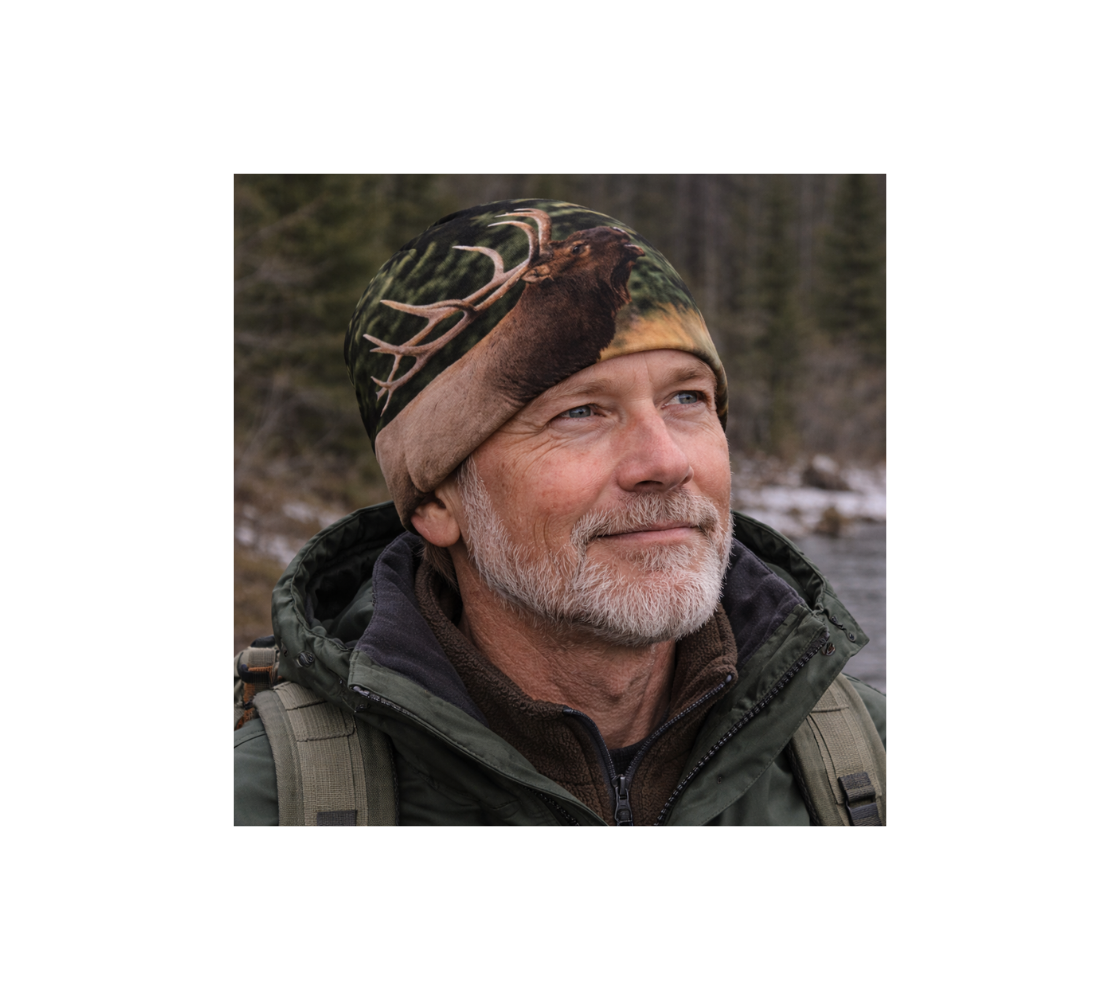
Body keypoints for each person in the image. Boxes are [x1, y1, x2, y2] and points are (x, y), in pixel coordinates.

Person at [233, 198, 887, 827]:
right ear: (435, 501)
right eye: (580, 412)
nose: (665, 461)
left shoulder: (863, 765)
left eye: (687, 398)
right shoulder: (268, 799)